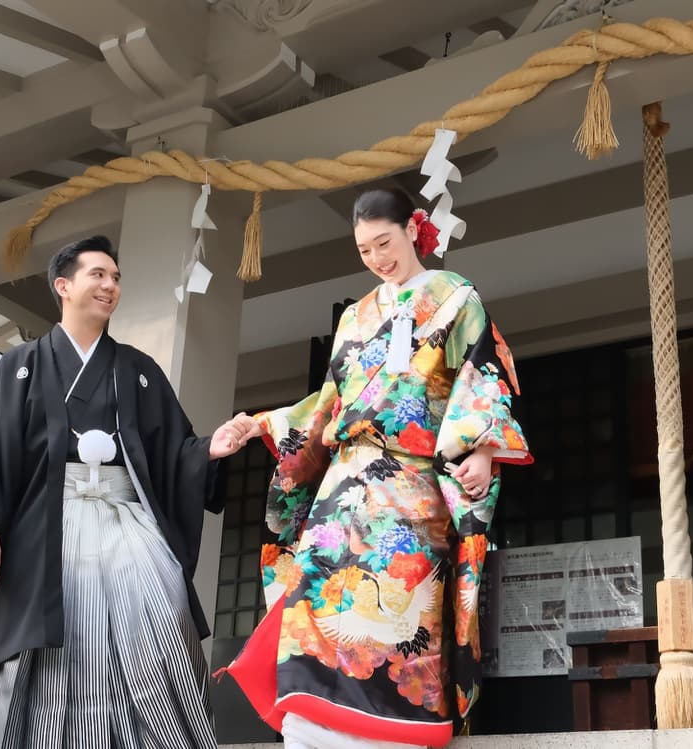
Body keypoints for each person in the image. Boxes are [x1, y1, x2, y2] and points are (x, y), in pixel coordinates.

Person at [225, 188, 532, 748]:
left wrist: (483, 450)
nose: (376, 258)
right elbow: (328, 404)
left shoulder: (454, 297)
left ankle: (396, 731)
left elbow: (483, 375)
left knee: (401, 607)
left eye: (384, 243)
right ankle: (311, 725)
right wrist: (264, 423)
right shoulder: (354, 319)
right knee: (313, 598)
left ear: (414, 229)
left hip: (412, 488)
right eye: (365, 249)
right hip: (343, 492)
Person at [0, 235, 250, 748]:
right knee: (53, 658)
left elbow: (173, 450)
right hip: (46, 532)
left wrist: (209, 450)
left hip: (127, 524)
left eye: (116, 278)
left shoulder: (138, 371)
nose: (110, 286)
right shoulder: (21, 367)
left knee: (164, 636)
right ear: (63, 285)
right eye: (98, 275)